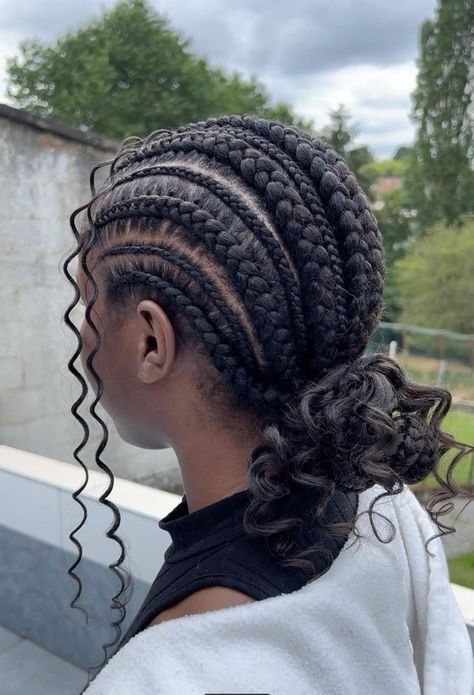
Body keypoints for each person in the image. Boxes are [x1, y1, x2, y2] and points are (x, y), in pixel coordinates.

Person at [63, 115, 473, 694]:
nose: (81, 333)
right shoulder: (381, 498)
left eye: (87, 303)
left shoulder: (161, 679)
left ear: (151, 341)